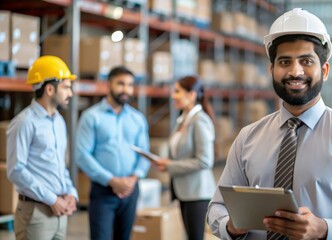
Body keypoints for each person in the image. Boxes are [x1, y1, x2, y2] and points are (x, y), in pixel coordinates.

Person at [207, 8, 332, 240]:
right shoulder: (247, 138)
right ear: (272, 70)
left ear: (324, 70)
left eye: (306, 61)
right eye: (285, 62)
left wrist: (324, 229)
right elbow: (216, 208)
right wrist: (230, 226)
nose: (295, 72)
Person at [7, 55, 78, 240]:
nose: (70, 93)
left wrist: (71, 192)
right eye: (66, 87)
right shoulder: (24, 123)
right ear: (49, 89)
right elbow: (16, 170)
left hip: (60, 210)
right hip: (36, 214)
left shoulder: (59, 122)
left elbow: (59, 165)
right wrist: (51, 199)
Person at [75, 66, 150, 240]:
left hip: (131, 190)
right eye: (121, 84)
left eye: (130, 85)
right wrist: (112, 180)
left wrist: (133, 178)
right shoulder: (91, 117)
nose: (126, 89)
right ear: (108, 85)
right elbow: (82, 155)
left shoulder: (137, 119)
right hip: (103, 191)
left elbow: (144, 154)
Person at [152, 76, 216, 240]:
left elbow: (204, 161)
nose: (173, 95)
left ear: (192, 95)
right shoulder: (184, 119)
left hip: (197, 193)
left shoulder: (200, 121)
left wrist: (170, 165)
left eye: (177, 91)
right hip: (185, 191)